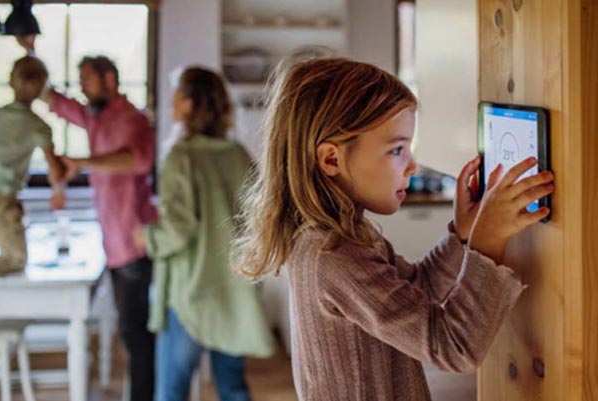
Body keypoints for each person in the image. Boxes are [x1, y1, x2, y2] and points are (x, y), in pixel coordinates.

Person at [234, 57, 555, 401]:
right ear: (331, 160)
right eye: (397, 149)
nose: (413, 165)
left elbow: (418, 290)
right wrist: (487, 243)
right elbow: (454, 348)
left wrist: (462, 234)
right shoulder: (331, 256)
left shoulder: (345, 237)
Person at [133, 67, 275, 401]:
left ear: (192, 103)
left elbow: (179, 230)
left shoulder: (182, 156)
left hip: (190, 293)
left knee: (172, 390)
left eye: (178, 95)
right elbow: (260, 219)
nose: (171, 102)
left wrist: (148, 238)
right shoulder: (237, 154)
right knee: (233, 387)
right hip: (233, 290)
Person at [42, 55, 157, 401]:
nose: (83, 87)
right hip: (113, 243)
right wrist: (30, 51)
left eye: (88, 79)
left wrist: (83, 161)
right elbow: (55, 101)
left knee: (136, 334)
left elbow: (137, 160)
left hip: (134, 243)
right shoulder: (97, 117)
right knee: (127, 331)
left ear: (110, 78)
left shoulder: (134, 119)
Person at [0, 56, 65, 275]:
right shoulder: (39, 126)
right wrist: (58, 192)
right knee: (16, 260)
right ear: (42, 91)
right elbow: (54, 169)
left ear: (10, 81)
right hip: (4, 200)